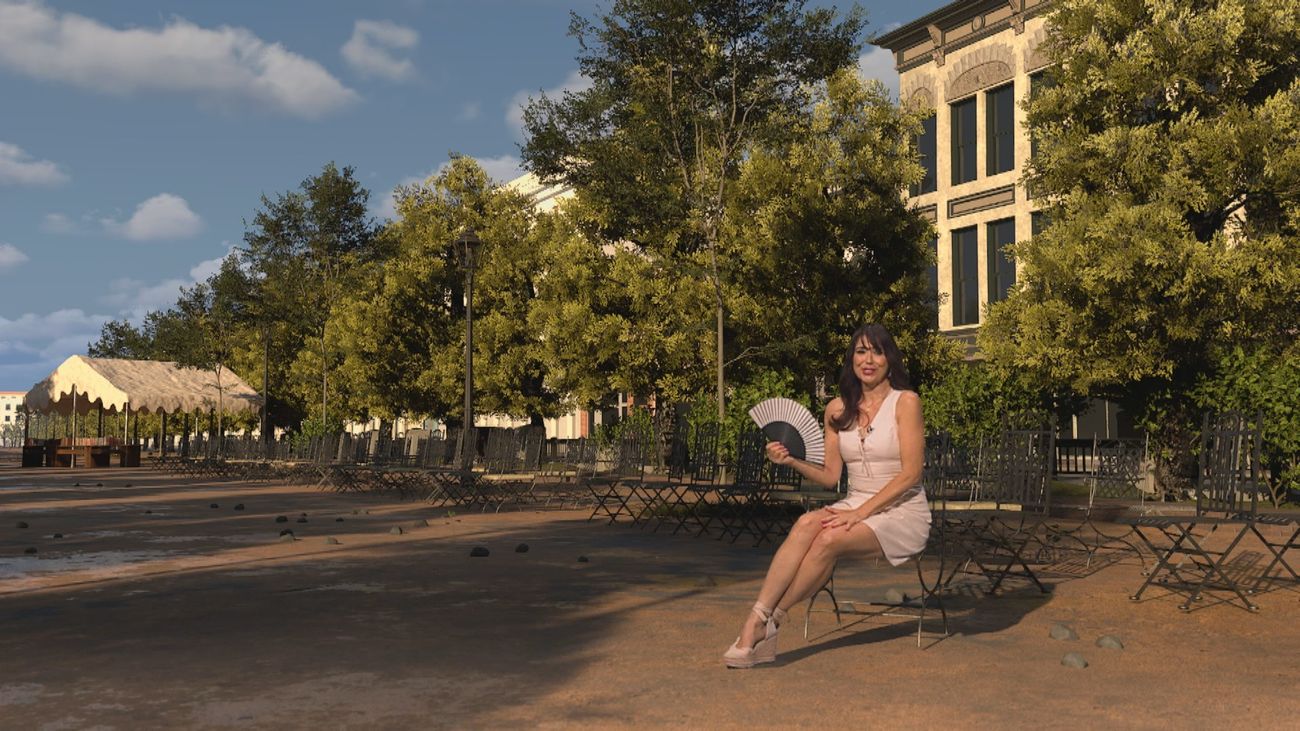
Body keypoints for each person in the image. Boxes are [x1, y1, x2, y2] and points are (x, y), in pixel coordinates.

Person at [723, 322, 931, 668]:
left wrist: (860, 513)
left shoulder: (906, 402)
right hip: (855, 502)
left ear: (889, 359)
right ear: (852, 360)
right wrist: (791, 460)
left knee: (828, 539)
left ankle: (767, 623)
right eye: (860, 351)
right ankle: (759, 619)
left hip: (901, 512)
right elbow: (830, 476)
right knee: (807, 523)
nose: (868, 360)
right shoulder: (837, 409)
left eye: (877, 351)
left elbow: (911, 474)